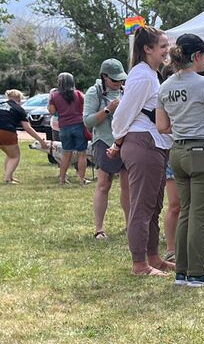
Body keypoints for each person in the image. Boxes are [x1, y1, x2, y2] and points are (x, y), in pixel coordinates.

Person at [156, 33, 204, 287]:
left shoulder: (165, 86)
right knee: (200, 215)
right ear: (198, 56)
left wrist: (184, 124)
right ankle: (198, 272)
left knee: (186, 212)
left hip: (178, 151)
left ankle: (182, 271)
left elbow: (162, 125)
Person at [110, 25, 174, 277]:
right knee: (142, 207)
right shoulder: (141, 75)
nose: (167, 51)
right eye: (163, 47)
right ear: (147, 49)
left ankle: (153, 258)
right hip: (143, 144)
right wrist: (117, 141)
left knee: (153, 205)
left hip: (153, 144)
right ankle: (139, 264)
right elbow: (125, 111)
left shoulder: (149, 74)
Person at [84, 59, 130, 238]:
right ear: (104, 77)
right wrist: (108, 110)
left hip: (125, 140)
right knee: (104, 184)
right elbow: (87, 122)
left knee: (128, 187)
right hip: (104, 140)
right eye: (114, 80)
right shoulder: (93, 92)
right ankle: (99, 229)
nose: (118, 83)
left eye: (120, 80)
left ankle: (129, 225)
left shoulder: (125, 91)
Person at [0, 89, 45, 184]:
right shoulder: (19, 108)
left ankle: (9, 176)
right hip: (6, 131)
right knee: (15, 156)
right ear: (19, 98)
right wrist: (41, 141)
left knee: (10, 155)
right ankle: (7, 178)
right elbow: (27, 128)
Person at [49, 72, 88, 185]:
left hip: (64, 126)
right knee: (82, 154)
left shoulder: (54, 95)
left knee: (66, 154)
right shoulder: (78, 94)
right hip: (79, 124)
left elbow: (51, 111)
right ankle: (81, 179)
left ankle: (62, 179)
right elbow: (86, 106)